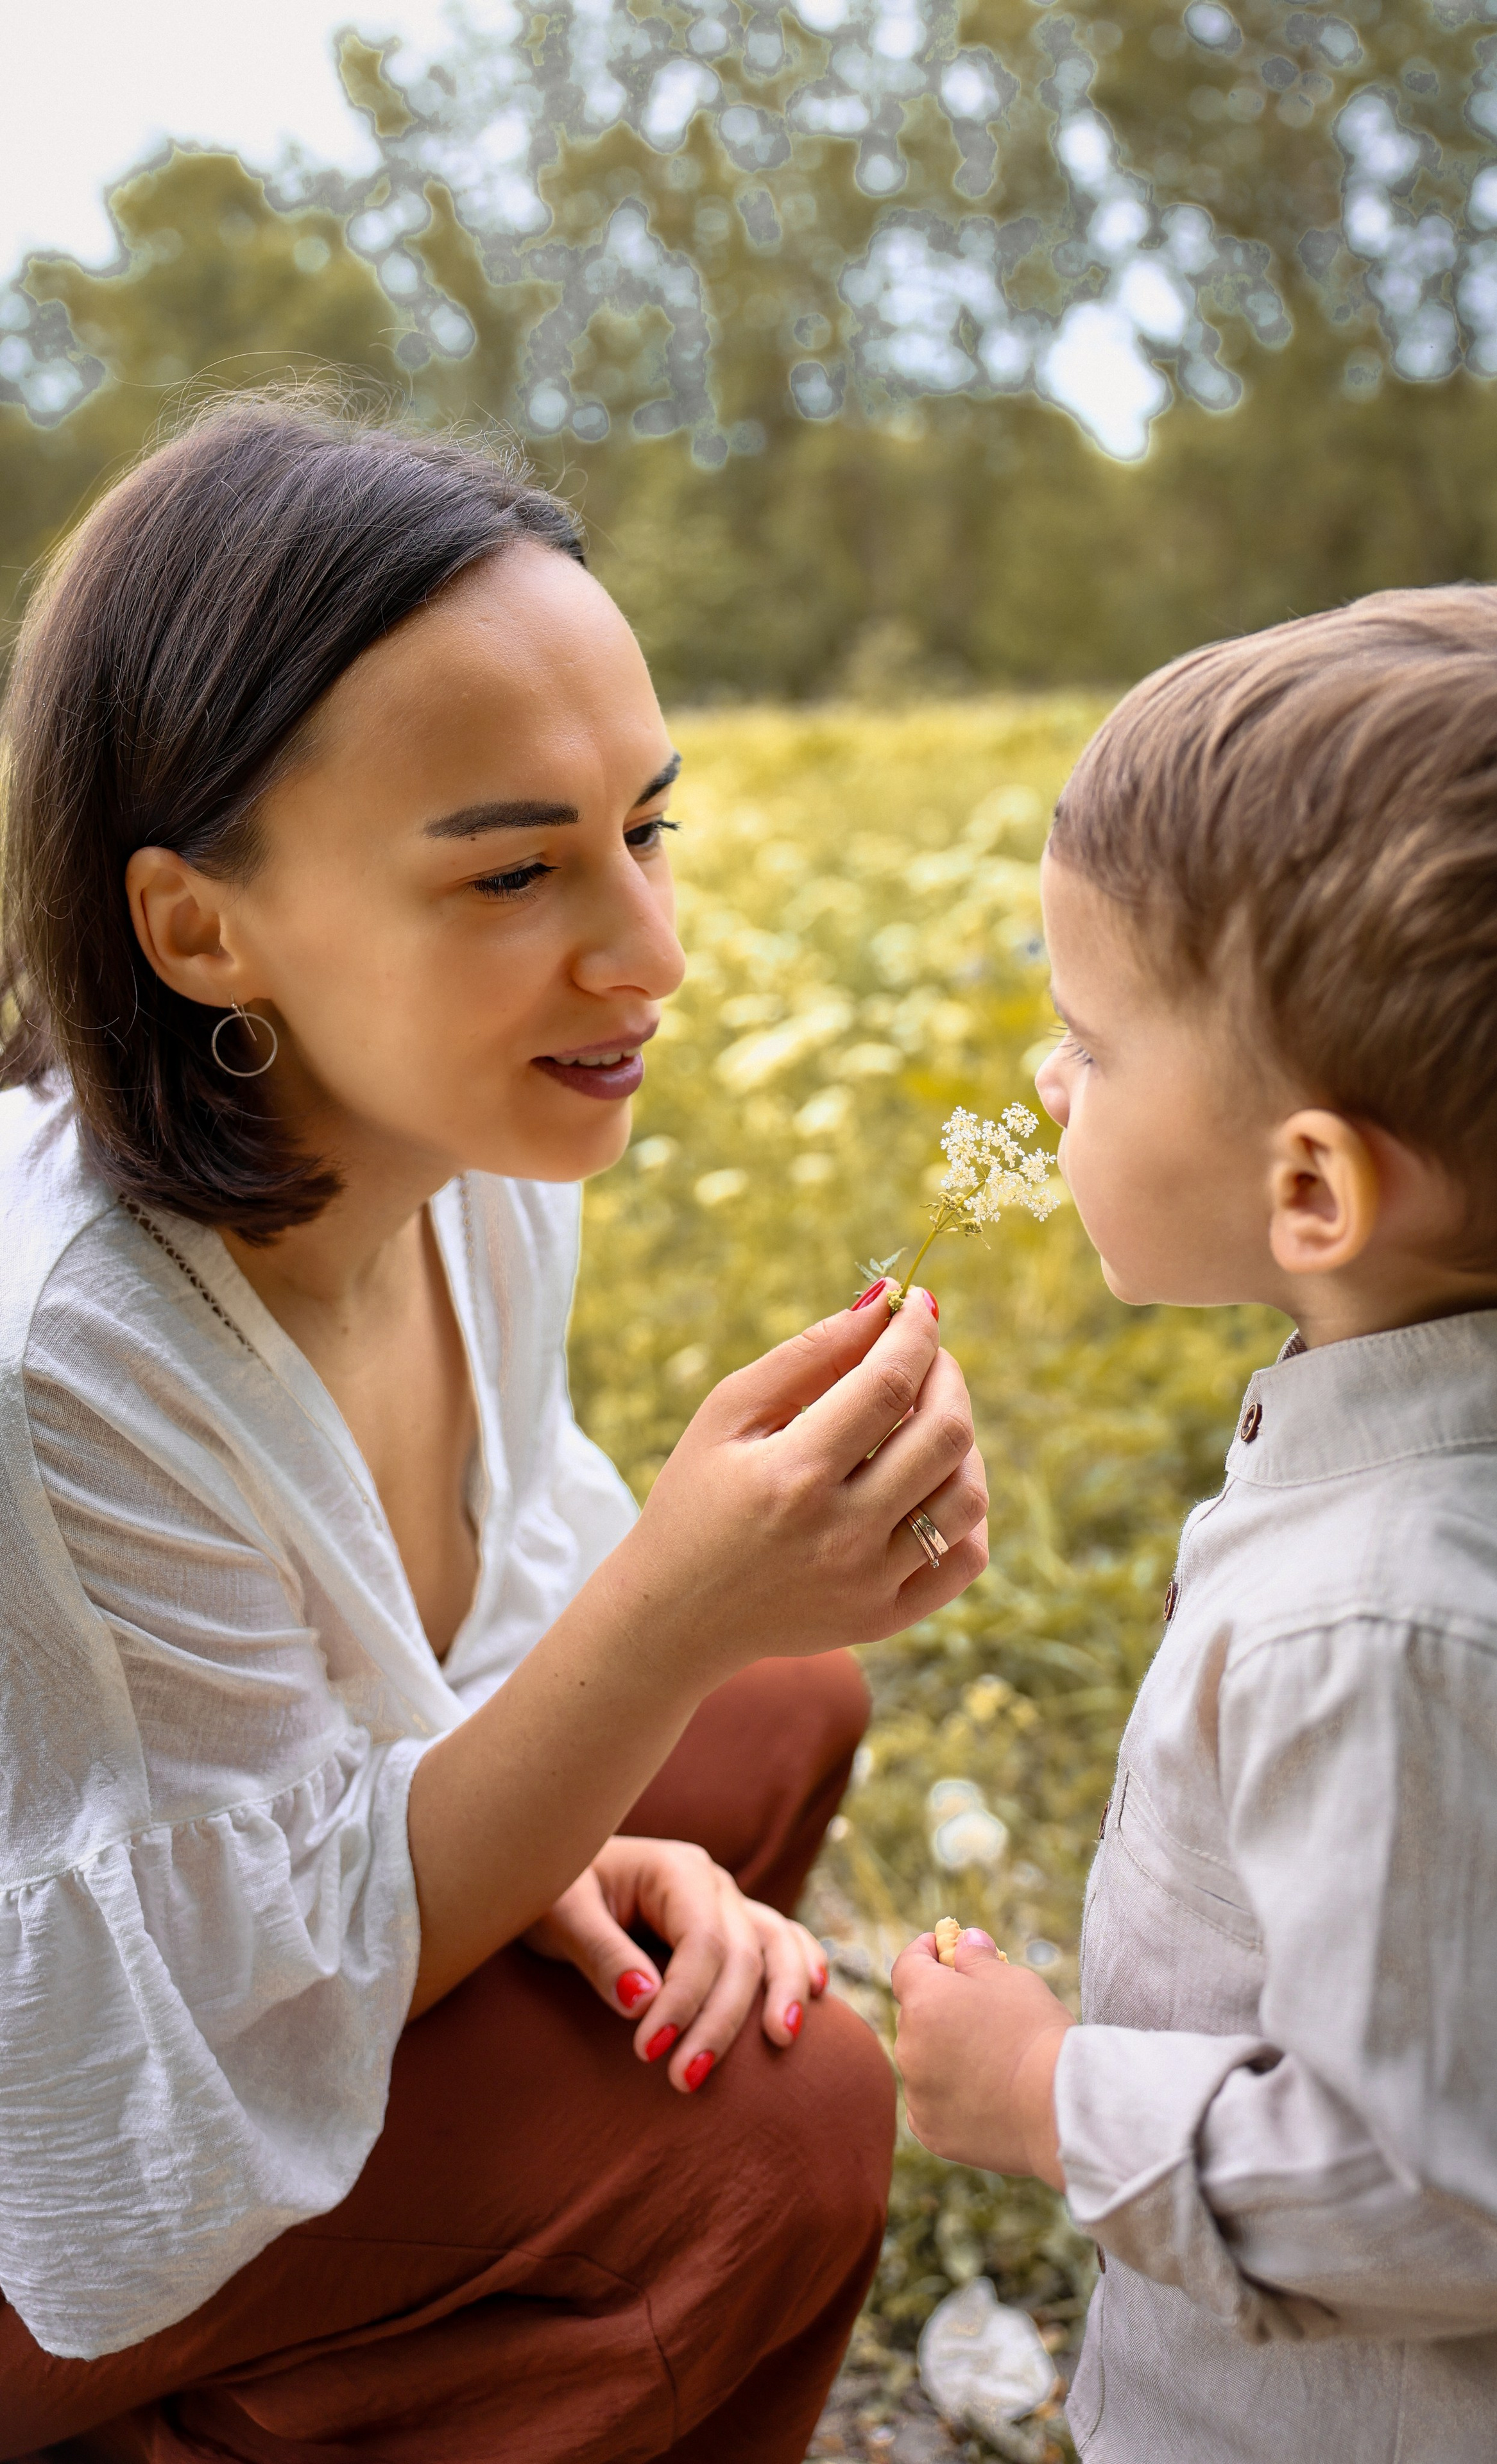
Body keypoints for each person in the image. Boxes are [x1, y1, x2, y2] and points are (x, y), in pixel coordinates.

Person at [0, 398, 990, 2463]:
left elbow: (434, 1701)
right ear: (197, 930)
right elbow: (145, 2032)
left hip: (241, 1929)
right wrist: (667, 1618)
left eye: (648, 828)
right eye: (517, 869)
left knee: (778, 1704)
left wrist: (641, 1725)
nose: (651, 955)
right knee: (788, 2121)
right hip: (45, 2150)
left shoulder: (473, 1174)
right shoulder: (66, 1367)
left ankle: (370, 2368)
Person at [891, 585, 1497, 2464]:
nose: (1048, 1080)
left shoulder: (1381, 1629)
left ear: (1311, 1189)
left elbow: (1464, 2187)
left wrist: (1048, 2097)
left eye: (1091, 1042)